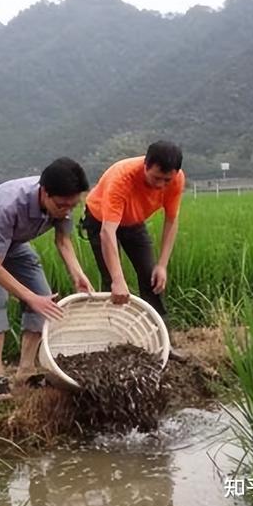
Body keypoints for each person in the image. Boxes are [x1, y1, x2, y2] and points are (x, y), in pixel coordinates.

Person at [0, 158, 94, 399]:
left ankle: (26, 371)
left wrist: (78, 275)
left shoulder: (65, 202)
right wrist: (30, 298)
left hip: (14, 243)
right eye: (62, 205)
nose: (67, 211)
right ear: (45, 193)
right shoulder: (8, 205)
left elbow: (63, 241)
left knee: (44, 299)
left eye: (72, 205)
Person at [81, 140, 186, 359]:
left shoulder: (176, 180)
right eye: (156, 178)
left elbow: (171, 220)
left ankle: (163, 344)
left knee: (152, 279)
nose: (160, 185)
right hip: (100, 220)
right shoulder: (122, 177)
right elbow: (107, 233)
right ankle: (110, 345)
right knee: (112, 283)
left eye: (167, 180)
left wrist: (162, 265)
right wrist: (119, 279)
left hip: (134, 221)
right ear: (145, 165)